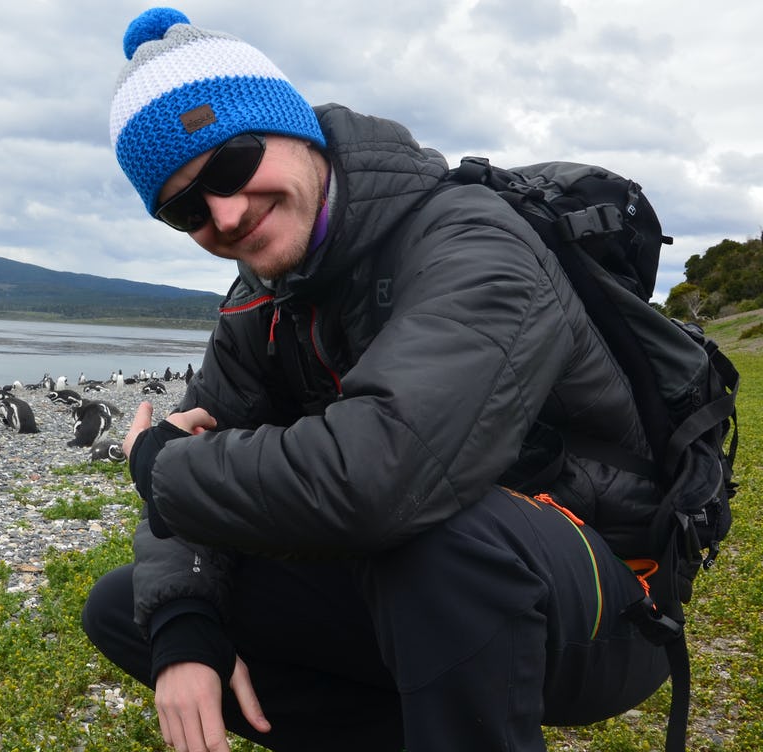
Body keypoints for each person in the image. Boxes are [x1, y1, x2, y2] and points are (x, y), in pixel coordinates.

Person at [81, 8, 671, 752]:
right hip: (413, 584)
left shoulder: (472, 241)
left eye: (232, 164)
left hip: (604, 605)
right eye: (186, 209)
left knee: (438, 531)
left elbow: (381, 476)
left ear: (297, 129)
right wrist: (186, 623)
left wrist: (159, 464)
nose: (225, 214)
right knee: (134, 607)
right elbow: (208, 450)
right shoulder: (260, 299)